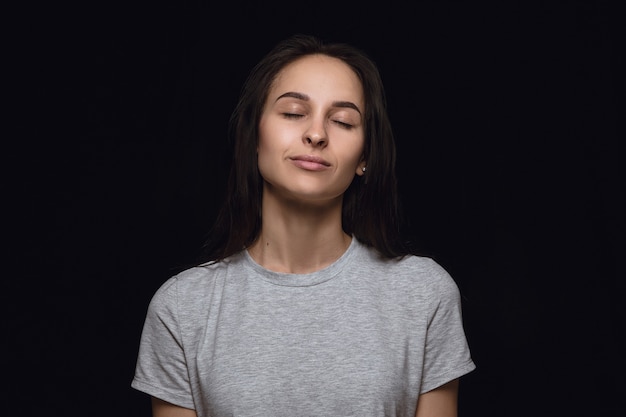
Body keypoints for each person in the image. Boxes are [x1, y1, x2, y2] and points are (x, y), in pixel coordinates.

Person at [131, 33, 476, 417]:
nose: (316, 134)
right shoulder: (182, 307)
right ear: (254, 138)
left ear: (366, 157)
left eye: (343, 121)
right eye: (294, 113)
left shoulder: (424, 294)